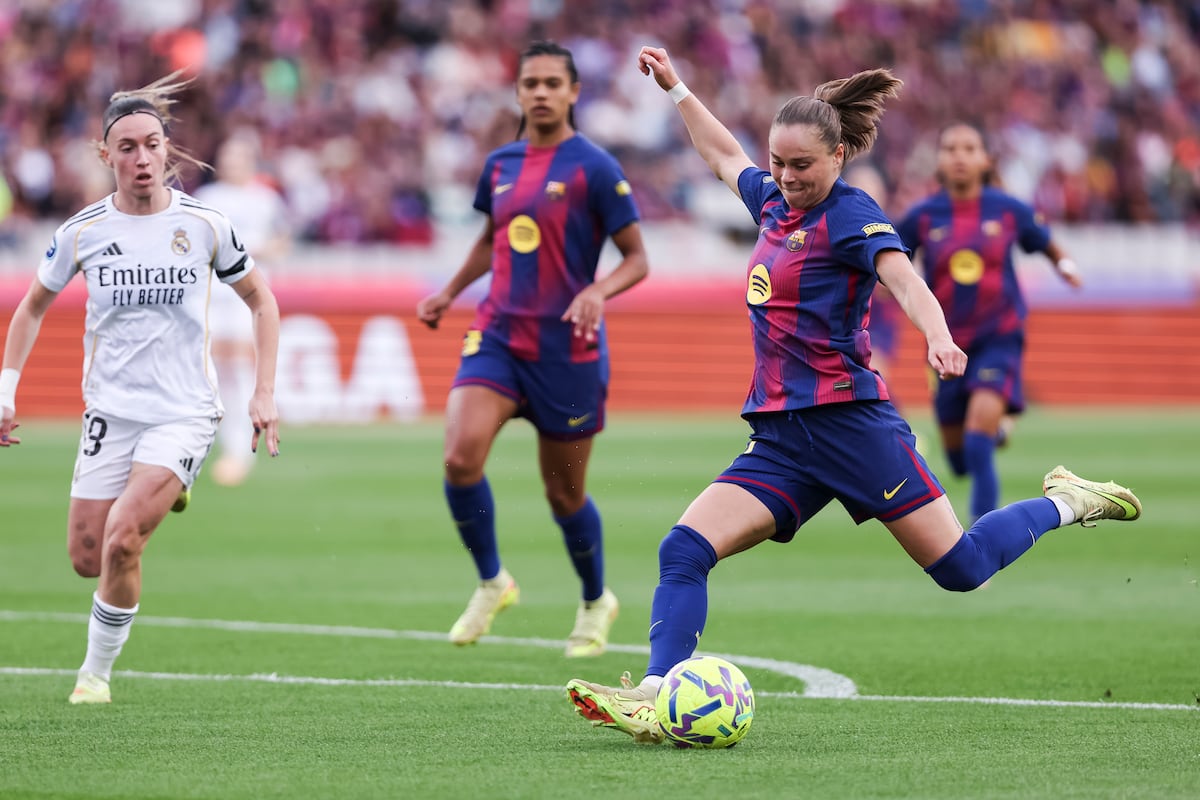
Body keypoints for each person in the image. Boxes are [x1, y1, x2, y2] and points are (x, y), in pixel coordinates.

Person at [564, 46, 1141, 744]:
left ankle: (1067, 501)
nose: (784, 175)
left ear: (839, 156)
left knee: (961, 569)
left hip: (852, 427)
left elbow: (903, 279)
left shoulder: (852, 213)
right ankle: (655, 694)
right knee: (682, 549)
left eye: (801, 164)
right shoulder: (772, 201)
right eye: (778, 162)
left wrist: (937, 335)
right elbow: (722, 156)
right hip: (781, 439)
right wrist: (679, 87)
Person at [0, 73, 281, 704]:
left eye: (152, 144)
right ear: (106, 156)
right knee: (87, 555)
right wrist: (5, 391)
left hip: (184, 410)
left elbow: (262, 301)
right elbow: (31, 308)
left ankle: (94, 676)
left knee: (125, 536)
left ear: (167, 149)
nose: (143, 157)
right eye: (127, 147)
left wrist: (263, 391)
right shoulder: (84, 231)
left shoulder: (207, 225)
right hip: (110, 411)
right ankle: (165, 491)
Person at [415, 41, 649, 658]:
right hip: (497, 336)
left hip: (566, 352)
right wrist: (447, 292)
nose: (540, 93)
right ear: (517, 93)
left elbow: (638, 259)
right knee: (460, 459)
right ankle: (493, 580)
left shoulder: (594, 168)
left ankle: (596, 599)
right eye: (530, 83)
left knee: (563, 494)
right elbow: (490, 239)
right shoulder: (500, 164)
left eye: (552, 83)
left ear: (573, 92)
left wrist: (599, 291)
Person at [895, 123, 1083, 522]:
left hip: (999, 335)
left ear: (985, 160)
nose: (959, 156)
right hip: (946, 343)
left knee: (978, 447)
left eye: (969, 148)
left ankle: (982, 543)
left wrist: (1063, 264)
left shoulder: (1007, 209)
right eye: (950, 148)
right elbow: (889, 259)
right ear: (940, 161)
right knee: (959, 459)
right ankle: (1000, 429)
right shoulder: (923, 216)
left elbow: (1043, 239)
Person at [193, 134, 291, 487]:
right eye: (228, 155)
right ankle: (222, 441)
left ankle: (239, 444)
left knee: (237, 363)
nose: (233, 162)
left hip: (249, 296)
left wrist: (251, 253)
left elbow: (283, 242)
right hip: (212, 295)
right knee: (214, 367)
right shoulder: (207, 199)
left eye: (239, 155)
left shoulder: (266, 199)